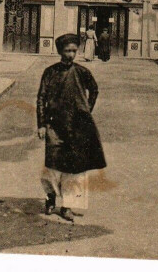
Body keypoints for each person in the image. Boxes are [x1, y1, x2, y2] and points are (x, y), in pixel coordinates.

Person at [37, 33, 106, 221]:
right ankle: (50, 198)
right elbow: (41, 98)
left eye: (74, 51)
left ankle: (68, 206)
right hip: (54, 125)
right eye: (67, 51)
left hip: (77, 126)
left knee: (74, 167)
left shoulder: (82, 72)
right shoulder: (50, 72)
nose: (70, 54)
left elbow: (95, 89)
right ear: (60, 51)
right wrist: (42, 124)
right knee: (51, 165)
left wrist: (86, 110)